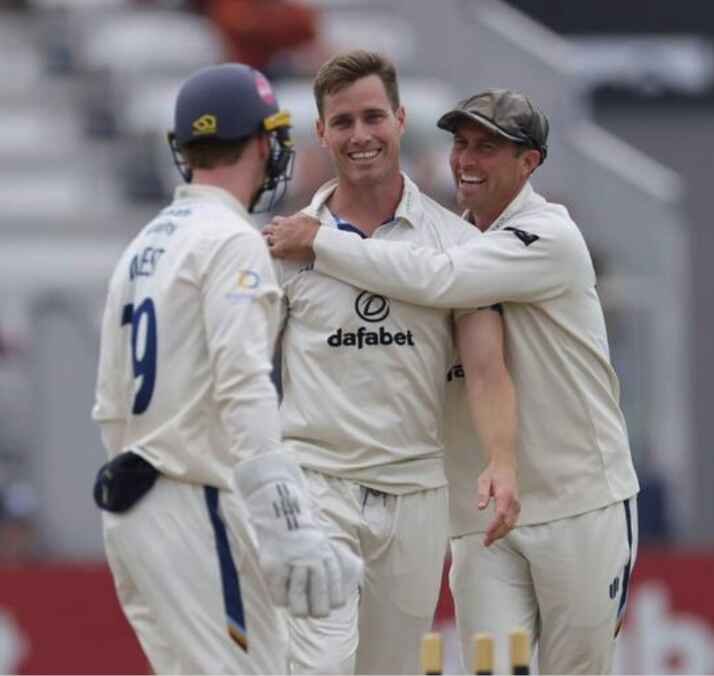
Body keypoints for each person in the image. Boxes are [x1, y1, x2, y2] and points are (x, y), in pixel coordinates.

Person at [268, 88, 641, 675]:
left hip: (580, 500)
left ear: (530, 162)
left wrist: (319, 240)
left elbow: (441, 279)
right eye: (460, 144)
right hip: (481, 515)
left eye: (487, 148)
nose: (466, 160)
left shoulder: (548, 236)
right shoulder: (436, 235)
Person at [90, 63, 360, 674]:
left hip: (133, 507)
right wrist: (288, 522)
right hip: (192, 503)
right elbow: (244, 387)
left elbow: (108, 402)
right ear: (265, 143)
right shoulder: (232, 240)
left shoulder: (144, 245)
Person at [265, 51, 519, 675]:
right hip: (315, 484)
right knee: (320, 667)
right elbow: (245, 374)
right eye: (343, 122)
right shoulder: (284, 247)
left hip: (415, 493)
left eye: (373, 117)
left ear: (402, 120)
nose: (360, 136)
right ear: (320, 133)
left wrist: (503, 462)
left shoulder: (458, 245)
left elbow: (486, 371)